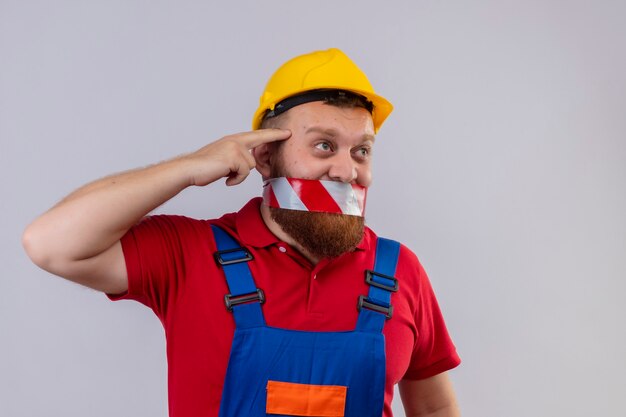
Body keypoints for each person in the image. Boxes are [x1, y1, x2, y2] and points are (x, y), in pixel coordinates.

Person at [23, 48, 461, 417]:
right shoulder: (190, 254)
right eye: (324, 145)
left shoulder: (399, 271)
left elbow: (434, 410)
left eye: (361, 151)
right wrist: (189, 167)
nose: (347, 171)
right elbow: (50, 244)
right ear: (266, 157)